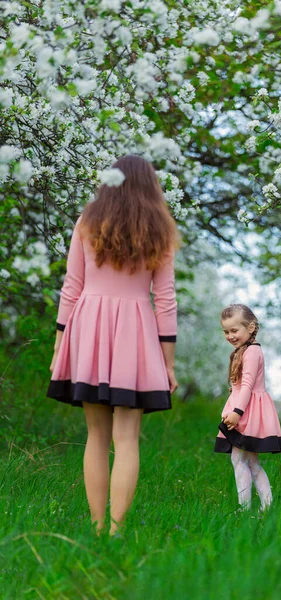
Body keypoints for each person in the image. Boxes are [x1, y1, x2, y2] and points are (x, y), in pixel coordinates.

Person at [47, 155, 179, 535]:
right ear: (151, 186)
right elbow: (165, 299)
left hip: (89, 329)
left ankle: (96, 526)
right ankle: (118, 532)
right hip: (135, 334)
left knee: (96, 435)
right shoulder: (160, 230)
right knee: (126, 438)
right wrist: (167, 363)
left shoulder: (88, 222)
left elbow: (71, 288)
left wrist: (60, 346)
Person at [215, 304, 281, 511]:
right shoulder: (243, 351)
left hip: (248, 413)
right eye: (226, 331)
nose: (229, 336)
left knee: (238, 460)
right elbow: (241, 386)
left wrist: (237, 412)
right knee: (251, 463)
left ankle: (244, 509)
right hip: (247, 409)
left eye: (234, 330)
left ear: (251, 327)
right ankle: (267, 507)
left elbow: (248, 385)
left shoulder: (252, 352)